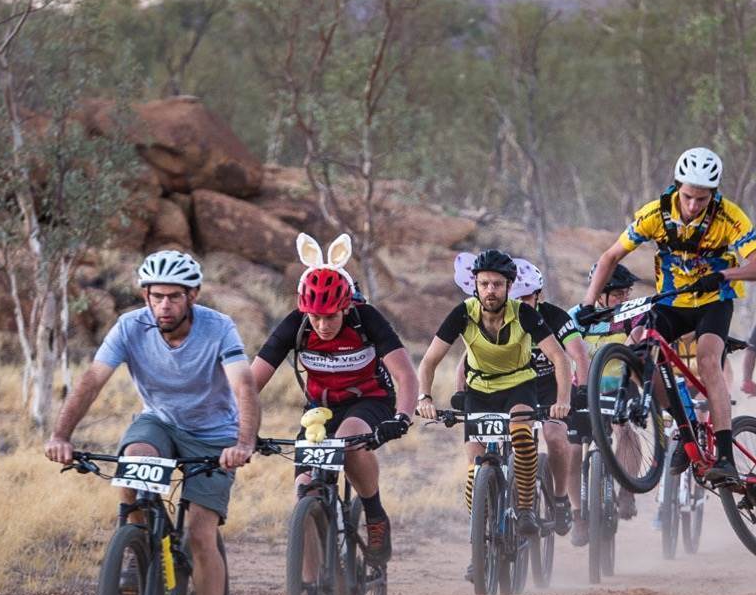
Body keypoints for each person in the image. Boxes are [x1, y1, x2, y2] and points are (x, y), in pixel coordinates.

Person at [45, 250, 259, 595]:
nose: (164, 306)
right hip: (159, 421)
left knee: (200, 534)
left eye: (174, 297)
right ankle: (136, 541)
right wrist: (61, 434)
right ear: (145, 295)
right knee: (134, 460)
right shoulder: (130, 326)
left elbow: (243, 384)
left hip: (214, 435)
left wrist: (242, 442)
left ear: (192, 296)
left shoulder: (219, 328)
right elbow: (92, 380)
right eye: (156, 296)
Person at [581, 146, 756, 479]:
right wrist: (588, 304)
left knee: (706, 361)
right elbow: (610, 257)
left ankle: (726, 458)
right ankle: (686, 431)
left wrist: (725, 274)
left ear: (713, 195)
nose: (693, 205)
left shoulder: (729, 216)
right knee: (639, 351)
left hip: (713, 302)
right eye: (688, 196)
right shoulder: (655, 214)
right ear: (677, 187)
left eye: (702, 200)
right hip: (672, 301)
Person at [250, 233, 418, 568]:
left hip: (370, 401)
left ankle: (374, 514)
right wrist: (243, 430)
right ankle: (312, 592)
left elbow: (406, 376)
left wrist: (402, 417)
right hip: (319, 412)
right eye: (316, 317)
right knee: (305, 492)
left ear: (345, 306)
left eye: (331, 316)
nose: (323, 325)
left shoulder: (365, 318)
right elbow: (250, 383)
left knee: (349, 439)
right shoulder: (296, 326)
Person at [414, 250, 571, 546]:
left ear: (509, 287)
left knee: (523, 439)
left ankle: (525, 509)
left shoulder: (524, 313)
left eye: (497, 284)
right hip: (479, 392)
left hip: (519, 387)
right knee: (475, 471)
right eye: (484, 284)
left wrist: (562, 400)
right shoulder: (463, 313)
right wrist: (425, 397)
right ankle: (480, 543)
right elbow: (429, 361)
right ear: (475, 284)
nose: (490, 290)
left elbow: (559, 358)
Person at [455, 256, 588, 538]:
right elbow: (466, 361)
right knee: (475, 461)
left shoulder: (553, 316)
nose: (520, 303)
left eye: (526, 298)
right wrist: (459, 395)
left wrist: (581, 391)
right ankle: (482, 535)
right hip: (508, 386)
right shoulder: (497, 314)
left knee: (554, 436)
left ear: (538, 296)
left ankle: (561, 499)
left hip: (549, 386)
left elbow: (575, 354)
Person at [569, 263, 643, 544]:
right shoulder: (575, 316)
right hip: (583, 390)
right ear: (599, 293)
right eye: (618, 294)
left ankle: (627, 491)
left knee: (627, 432)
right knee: (572, 450)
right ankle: (578, 515)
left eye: (627, 293)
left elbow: (641, 342)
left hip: (622, 388)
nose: (624, 298)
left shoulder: (632, 314)